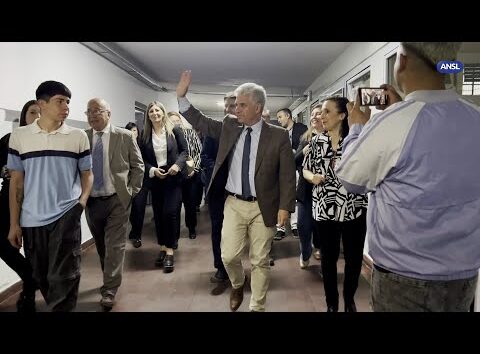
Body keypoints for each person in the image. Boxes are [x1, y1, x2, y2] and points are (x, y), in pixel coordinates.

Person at [336, 42, 479, 312]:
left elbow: (350, 179)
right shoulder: (475, 116)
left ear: (401, 62)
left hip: (404, 277)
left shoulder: (392, 123)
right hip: (464, 273)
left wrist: (356, 128)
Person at [177, 70, 296, 312]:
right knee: (229, 256)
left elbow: (286, 175)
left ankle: (257, 307)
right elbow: (200, 121)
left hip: (264, 205)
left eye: (242, 105)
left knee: (260, 260)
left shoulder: (279, 136)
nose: (236, 109)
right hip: (233, 203)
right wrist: (182, 97)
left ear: (258, 107)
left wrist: (286, 207)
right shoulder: (229, 126)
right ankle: (238, 283)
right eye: (236, 105)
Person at [7, 81, 93, 311]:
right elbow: (16, 182)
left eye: (67, 102)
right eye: (60, 101)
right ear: (41, 104)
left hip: (66, 214)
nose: (66, 107)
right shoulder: (20, 137)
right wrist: (14, 224)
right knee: (41, 277)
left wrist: (81, 203)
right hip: (31, 219)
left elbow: (87, 174)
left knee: (65, 278)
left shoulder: (78, 136)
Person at [303, 96, 368, 312]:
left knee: (353, 258)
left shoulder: (356, 140)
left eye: (327, 111)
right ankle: (332, 303)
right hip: (324, 206)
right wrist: (312, 177)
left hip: (353, 207)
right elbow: (305, 168)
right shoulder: (316, 141)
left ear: (342, 115)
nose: (322, 115)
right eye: (321, 112)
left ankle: (349, 299)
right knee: (328, 260)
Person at [84, 99, 144, 310]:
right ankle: (108, 275)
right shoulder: (83, 137)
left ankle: (109, 289)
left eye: (96, 111)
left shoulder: (124, 136)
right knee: (101, 245)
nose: (92, 115)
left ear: (108, 113)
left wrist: (131, 192)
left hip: (117, 200)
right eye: (88, 112)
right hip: (91, 201)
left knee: (115, 246)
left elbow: (138, 166)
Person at [139, 101, 187, 273]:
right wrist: (151, 169)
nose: (154, 113)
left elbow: (184, 151)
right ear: (148, 115)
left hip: (173, 178)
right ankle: (162, 246)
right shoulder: (144, 135)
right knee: (158, 214)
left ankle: (170, 250)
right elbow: (140, 159)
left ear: (163, 112)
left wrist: (178, 165)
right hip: (156, 177)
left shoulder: (174, 131)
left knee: (170, 212)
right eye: (151, 111)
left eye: (157, 110)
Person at [0, 100, 40, 312]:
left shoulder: (47, 141)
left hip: (36, 202)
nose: (37, 117)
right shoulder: (10, 139)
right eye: (33, 112)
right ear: (25, 115)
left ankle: (30, 293)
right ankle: (30, 280)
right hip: (8, 199)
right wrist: (4, 171)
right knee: (3, 245)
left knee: (34, 249)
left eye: (41, 113)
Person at [199, 92, 236, 286]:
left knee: (237, 232)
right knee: (218, 228)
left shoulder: (248, 132)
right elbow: (204, 157)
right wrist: (220, 170)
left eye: (233, 105)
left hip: (241, 193)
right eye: (226, 105)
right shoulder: (215, 130)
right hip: (218, 190)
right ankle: (220, 267)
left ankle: (234, 265)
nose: (228, 109)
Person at [294, 104, 323, 269]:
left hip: (325, 192)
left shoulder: (333, 138)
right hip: (306, 191)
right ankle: (305, 252)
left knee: (320, 227)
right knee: (304, 227)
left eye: (318, 113)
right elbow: (295, 161)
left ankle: (318, 247)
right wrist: (304, 150)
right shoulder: (305, 138)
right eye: (312, 114)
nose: (314, 117)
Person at [168, 111, 202, 241]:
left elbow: (199, 152)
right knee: (174, 207)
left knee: (190, 204)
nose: (176, 123)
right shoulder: (168, 136)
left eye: (177, 121)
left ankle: (191, 228)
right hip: (173, 176)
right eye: (172, 121)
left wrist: (195, 169)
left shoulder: (190, 133)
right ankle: (174, 235)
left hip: (190, 175)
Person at [274, 108, 307, 240]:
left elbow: (304, 146)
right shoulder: (277, 132)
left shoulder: (301, 129)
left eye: (280, 117)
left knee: (295, 198)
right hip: (281, 170)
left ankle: (294, 226)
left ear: (288, 116)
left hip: (296, 169)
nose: (278, 120)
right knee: (280, 198)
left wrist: (294, 152)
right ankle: (280, 228)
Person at [125, 122, 148, 248]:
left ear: (138, 132)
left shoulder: (142, 145)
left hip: (142, 182)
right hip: (127, 182)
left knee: (139, 208)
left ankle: (137, 235)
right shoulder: (123, 144)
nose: (132, 133)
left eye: (134, 130)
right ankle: (134, 229)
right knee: (131, 209)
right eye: (130, 131)